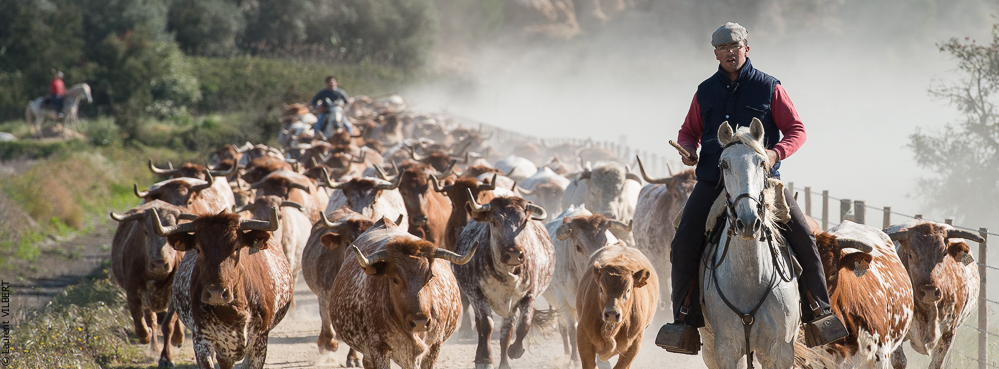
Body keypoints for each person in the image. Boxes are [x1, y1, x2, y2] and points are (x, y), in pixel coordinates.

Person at [656, 22, 847, 354]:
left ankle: (819, 313)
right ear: (715, 53)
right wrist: (689, 149)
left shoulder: (770, 87)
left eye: (736, 46)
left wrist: (775, 153)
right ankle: (684, 321)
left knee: (803, 235)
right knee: (684, 239)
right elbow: (689, 131)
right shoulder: (704, 91)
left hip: (763, 181)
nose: (730, 52)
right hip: (715, 181)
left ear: (747, 48)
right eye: (723, 48)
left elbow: (796, 129)